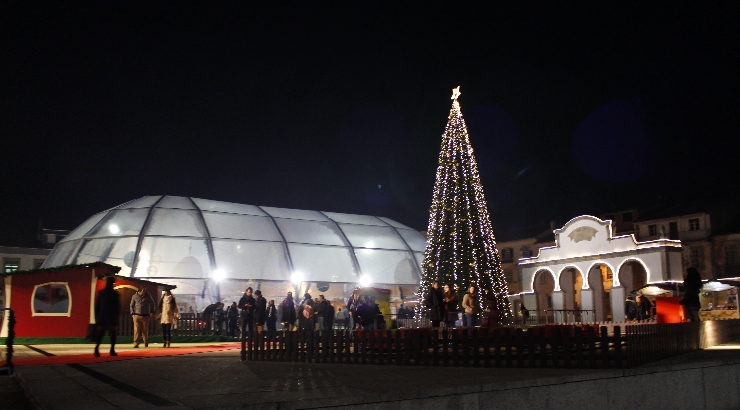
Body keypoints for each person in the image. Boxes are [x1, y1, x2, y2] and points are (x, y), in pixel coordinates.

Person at [93, 277, 120, 357]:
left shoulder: (101, 292)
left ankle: (97, 349)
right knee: (112, 334)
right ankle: (112, 350)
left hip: (102, 316)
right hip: (111, 316)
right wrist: (116, 316)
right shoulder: (114, 293)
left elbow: (97, 306)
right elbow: (117, 306)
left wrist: (97, 317)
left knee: (101, 334)